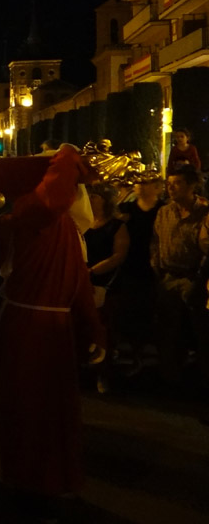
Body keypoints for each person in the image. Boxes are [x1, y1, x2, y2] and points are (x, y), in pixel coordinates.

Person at [0, 145, 105, 517]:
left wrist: (93, 330)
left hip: (54, 329)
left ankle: (55, 479)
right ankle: (26, 482)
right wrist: (67, 156)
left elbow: (81, 288)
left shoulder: (70, 234)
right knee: (27, 409)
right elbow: (51, 200)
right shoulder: (33, 214)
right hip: (27, 328)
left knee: (57, 412)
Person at [150, 165, 209, 389]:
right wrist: (156, 265)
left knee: (200, 330)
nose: (171, 188)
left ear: (192, 186)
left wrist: (199, 279)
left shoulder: (203, 213)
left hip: (192, 277)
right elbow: (156, 241)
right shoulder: (165, 212)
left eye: (177, 183)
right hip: (167, 278)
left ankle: (203, 379)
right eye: (169, 183)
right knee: (168, 329)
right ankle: (169, 378)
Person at [84, 183, 130, 393]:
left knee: (104, 330)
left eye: (95, 196)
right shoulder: (82, 224)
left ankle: (104, 373)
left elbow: (118, 255)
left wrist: (93, 271)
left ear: (105, 200)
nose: (91, 200)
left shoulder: (116, 226)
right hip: (82, 281)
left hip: (105, 283)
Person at [116, 176, 164, 372]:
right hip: (130, 266)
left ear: (156, 188)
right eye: (137, 183)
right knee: (130, 309)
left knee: (152, 310)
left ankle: (150, 354)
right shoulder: (126, 210)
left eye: (144, 183)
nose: (138, 186)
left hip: (154, 267)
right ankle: (134, 352)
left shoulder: (163, 210)